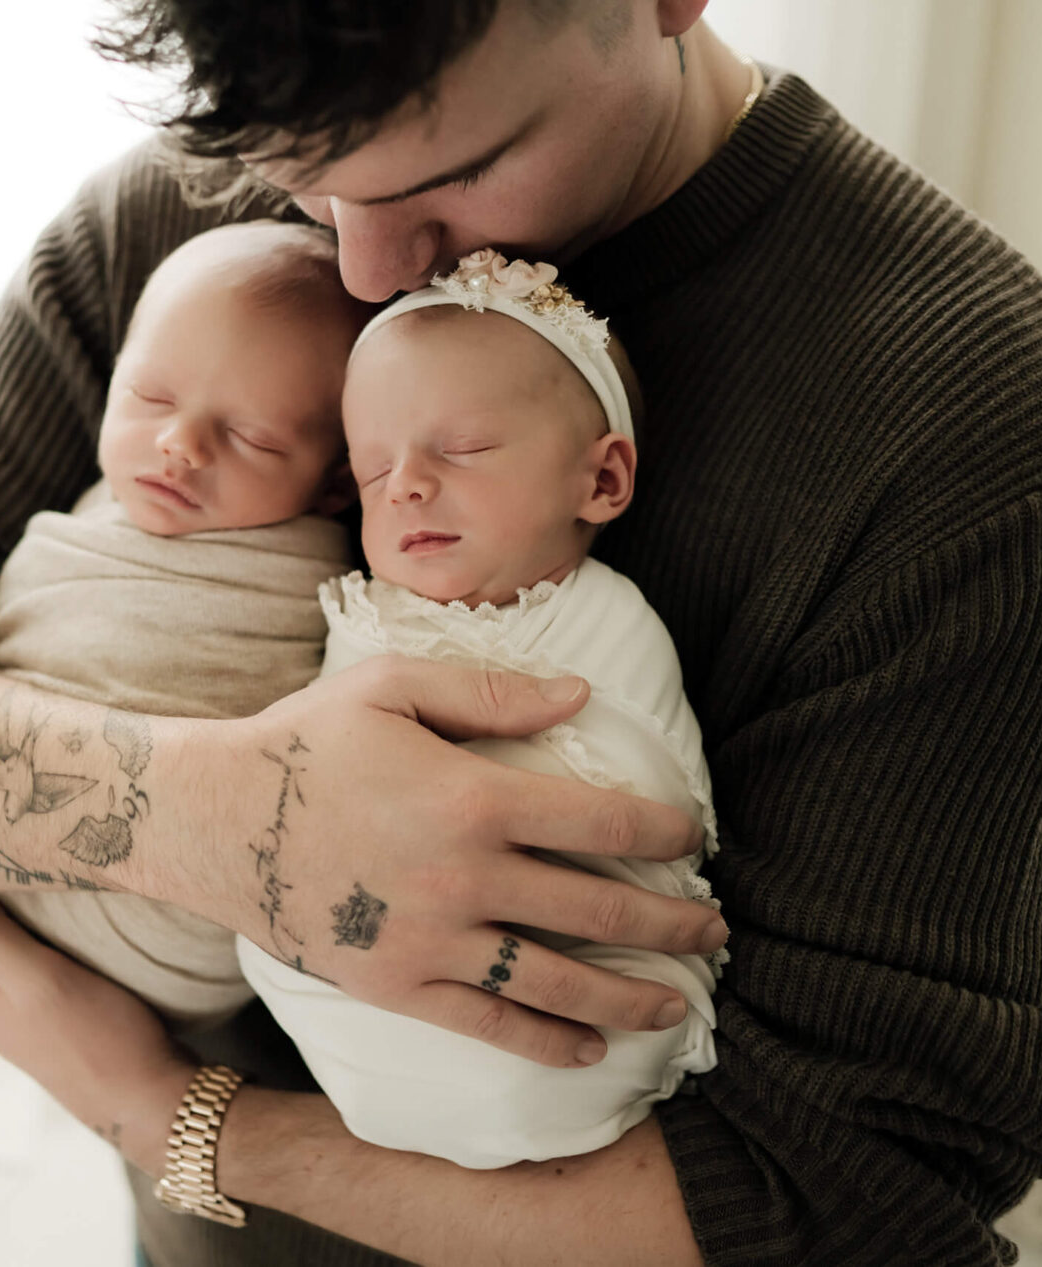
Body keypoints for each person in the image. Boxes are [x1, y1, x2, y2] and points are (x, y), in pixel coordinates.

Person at [0, 1, 1042, 1263]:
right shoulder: (191, 226)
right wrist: (217, 817)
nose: (368, 267)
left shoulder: (978, 427)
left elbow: (853, 1206)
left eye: (456, 173)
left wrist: (175, 1120)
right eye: (301, 177)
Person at [236, 247, 724, 1170]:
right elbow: (306, 785)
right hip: (366, 982)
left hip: (574, 969)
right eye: (373, 470)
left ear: (603, 480)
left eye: (460, 448)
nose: (408, 483)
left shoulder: (608, 621)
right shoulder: (362, 617)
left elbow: (648, 795)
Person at [0, 219, 367, 1026]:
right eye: (149, 397)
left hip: (184, 929)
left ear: (334, 486)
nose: (179, 443)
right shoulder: (100, 510)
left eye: (252, 437)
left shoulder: (321, 576)